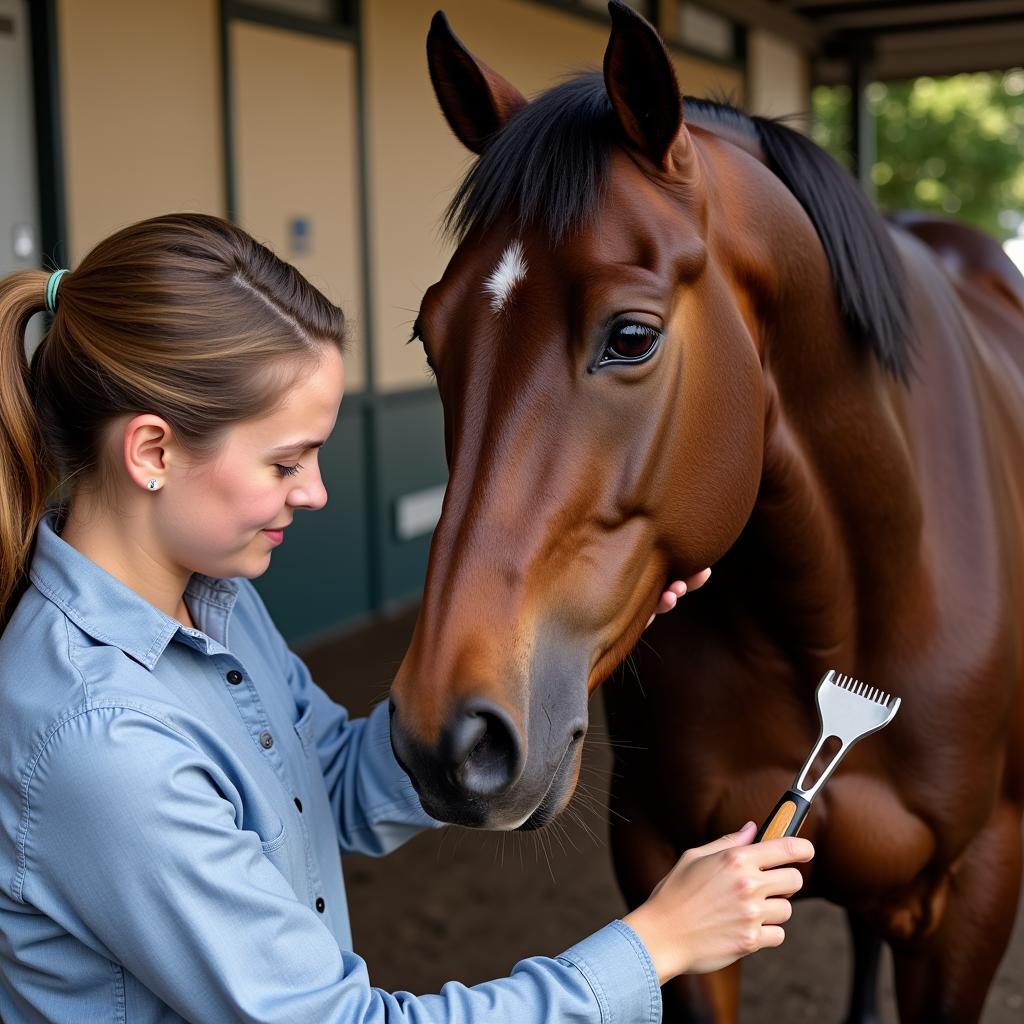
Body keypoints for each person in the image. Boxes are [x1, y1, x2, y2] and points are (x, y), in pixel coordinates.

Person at [0, 213, 813, 1023]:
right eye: (285, 461)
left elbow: (332, 786)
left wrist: (557, 648)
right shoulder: (103, 738)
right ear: (152, 453)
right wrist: (658, 941)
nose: (315, 491)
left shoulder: (215, 600)